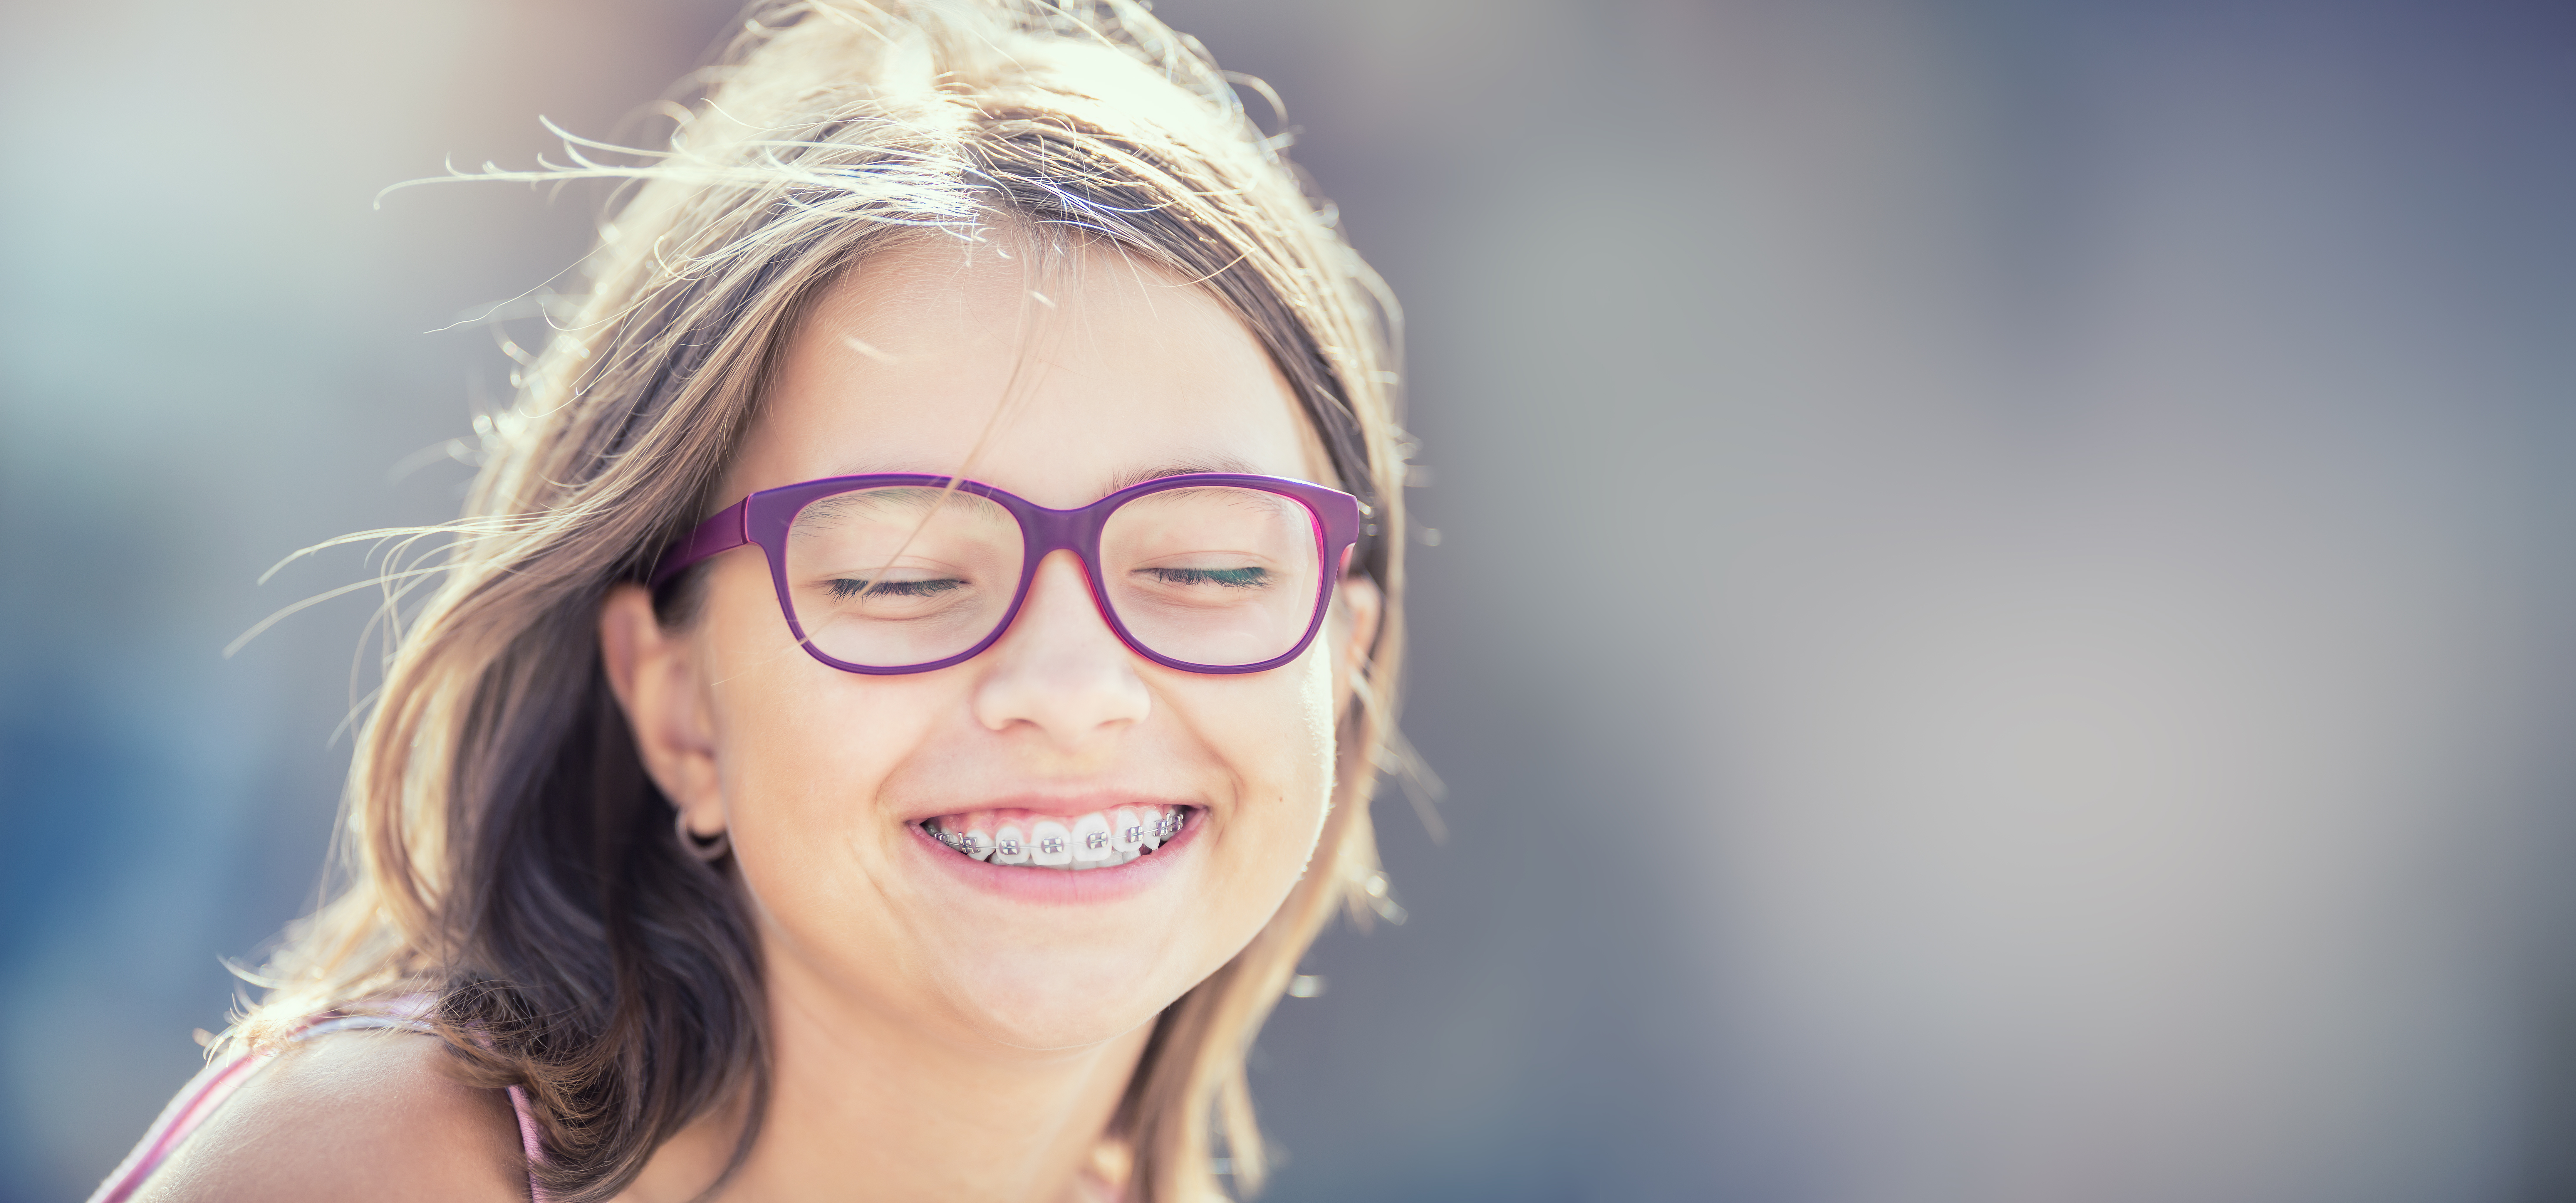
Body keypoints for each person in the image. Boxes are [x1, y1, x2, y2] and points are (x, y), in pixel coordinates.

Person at [95, 2, 1410, 1199]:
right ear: (679, 711)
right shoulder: (391, 1165)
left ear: (1340, 668)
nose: (1069, 690)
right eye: (901, 579)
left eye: (1205, 569)